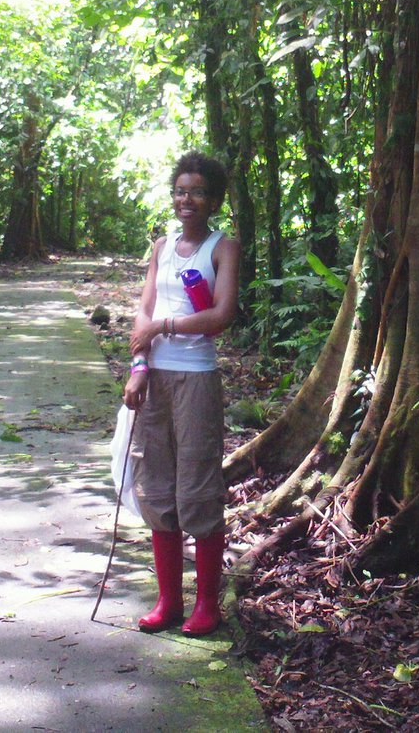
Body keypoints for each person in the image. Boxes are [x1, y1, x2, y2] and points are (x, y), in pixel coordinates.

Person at [123, 151, 240, 636]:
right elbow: (143, 313)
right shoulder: (161, 247)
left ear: (213, 200)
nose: (186, 199)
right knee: (157, 486)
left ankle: (206, 605)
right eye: (180, 190)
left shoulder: (222, 248)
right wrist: (138, 367)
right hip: (156, 380)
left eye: (196, 192)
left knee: (198, 488)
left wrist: (166, 327)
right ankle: (169, 601)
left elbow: (221, 315)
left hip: (196, 380)